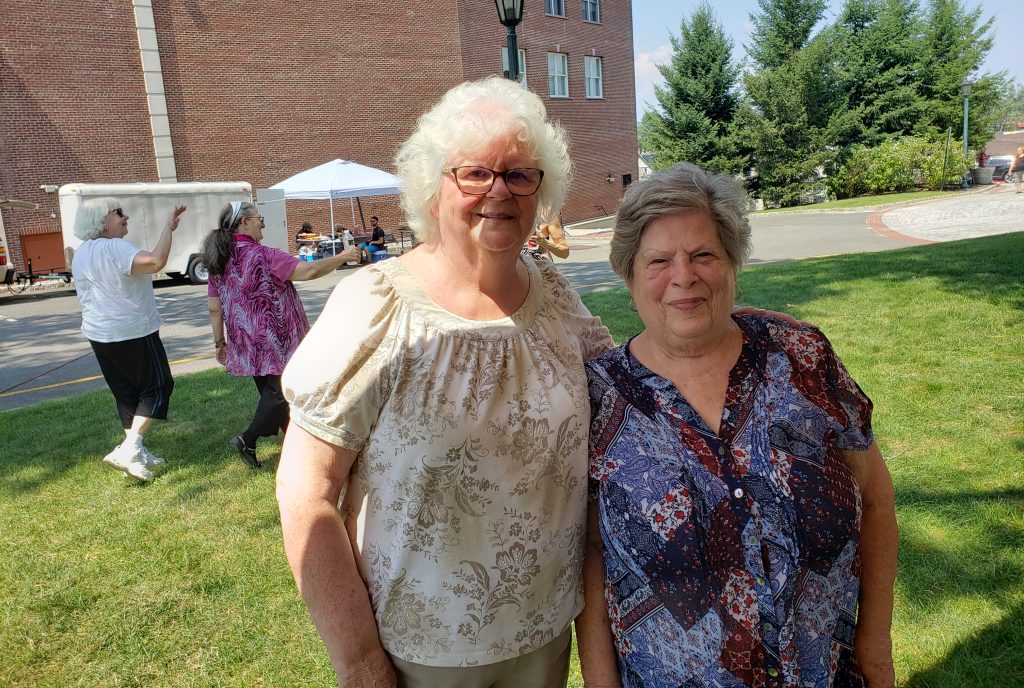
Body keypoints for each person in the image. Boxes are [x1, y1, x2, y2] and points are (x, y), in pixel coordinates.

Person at [276, 77, 614, 688]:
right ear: (433, 190)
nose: (499, 192)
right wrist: (357, 660)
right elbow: (306, 494)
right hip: (420, 655)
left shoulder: (558, 300)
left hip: (546, 636)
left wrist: (733, 328)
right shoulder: (374, 306)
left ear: (542, 190)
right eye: (475, 174)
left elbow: (631, 390)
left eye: (519, 174)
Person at [576, 164, 899, 688]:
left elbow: (878, 499)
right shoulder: (598, 396)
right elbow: (592, 555)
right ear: (629, 274)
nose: (684, 276)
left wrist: (875, 644)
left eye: (703, 254)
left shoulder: (801, 356)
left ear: (731, 263)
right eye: (659, 260)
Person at [201, 201, 359, 469]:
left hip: (246, 343)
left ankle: (296, 452)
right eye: (258, 218)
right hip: (276, 340)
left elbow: (214, 307)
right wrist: (342, 257)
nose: (262, 223)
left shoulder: (220, 260)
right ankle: (247, 439)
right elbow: (307, 271)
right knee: (283, 394)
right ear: (244, 223)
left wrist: (220, 342)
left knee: (275, 398)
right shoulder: (264, 255)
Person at [71, 199, 186, 482]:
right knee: (159, 386)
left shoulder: (82, 252)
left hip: (100, 335)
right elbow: (156, 262)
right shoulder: (115, 247)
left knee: (126, 394)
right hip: (132, 331)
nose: (126, 217)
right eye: (118, 213)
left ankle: (136, 454)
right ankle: (131, 447)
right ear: (101, 222)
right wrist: (168, 229)